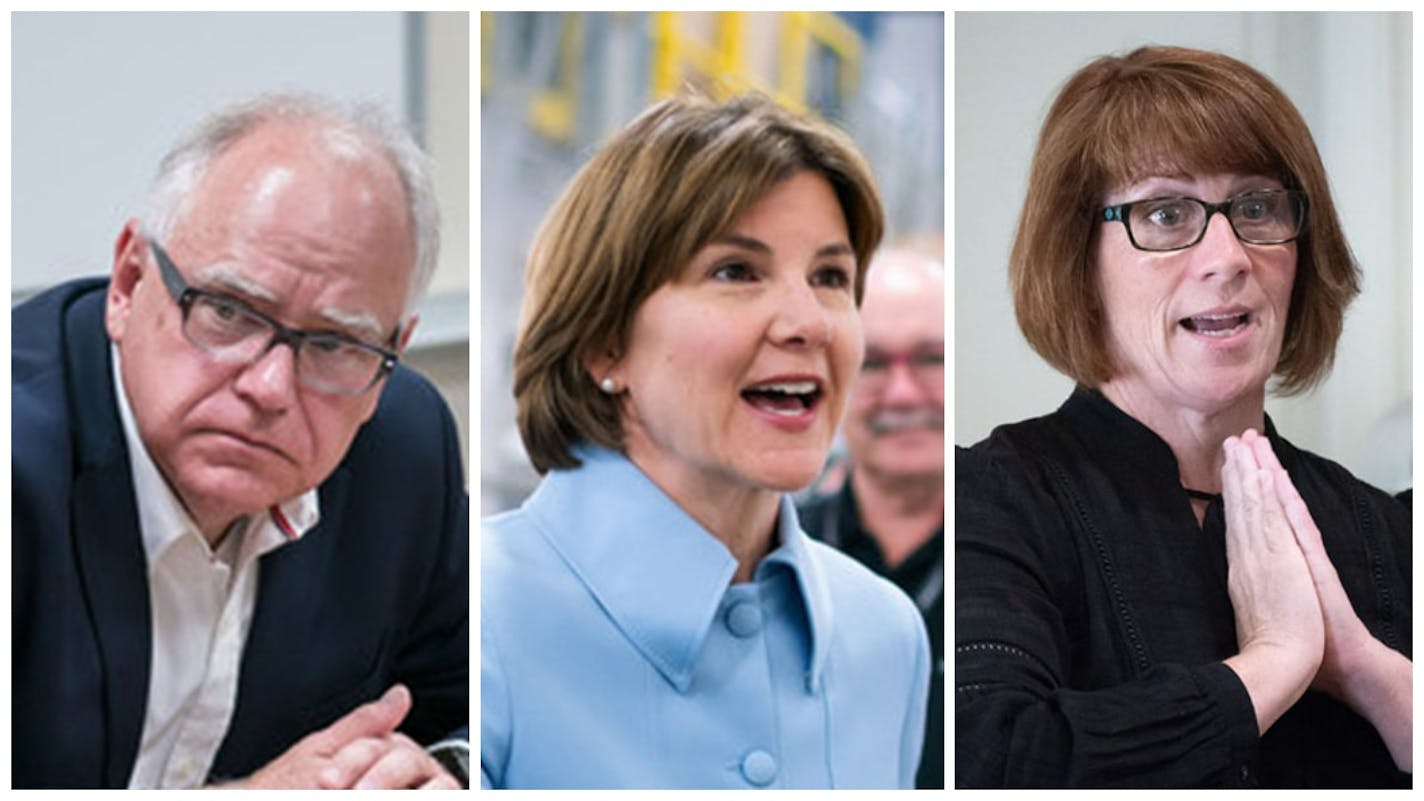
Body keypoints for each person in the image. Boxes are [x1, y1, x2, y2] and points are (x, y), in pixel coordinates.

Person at [956, 46, 1411, 788]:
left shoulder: (1390, 528)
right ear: (1079, 259)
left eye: (1258, 207)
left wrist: (1369, 671)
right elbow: (992, 758)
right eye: (1166, 214)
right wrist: (1272, 663)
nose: (1228, 255)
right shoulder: (990, 501)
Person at [12, 93, 468, 789]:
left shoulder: (405, 452)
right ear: (130, 284)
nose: (270, 386)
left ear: (391, 355)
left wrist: (442, 772)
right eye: (228, 310)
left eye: (334, 343)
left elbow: (480, 705)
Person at [481, 94, 930, 789]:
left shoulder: (887, 638)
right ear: (605, 340)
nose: (807, 321)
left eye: (830, 277)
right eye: (736, 271)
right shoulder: (482, 612)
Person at [799, 248, 945, 789]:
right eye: (873, 363)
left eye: (932, 358)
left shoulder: (1013, 557)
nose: (903, 393)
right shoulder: (769, 555)